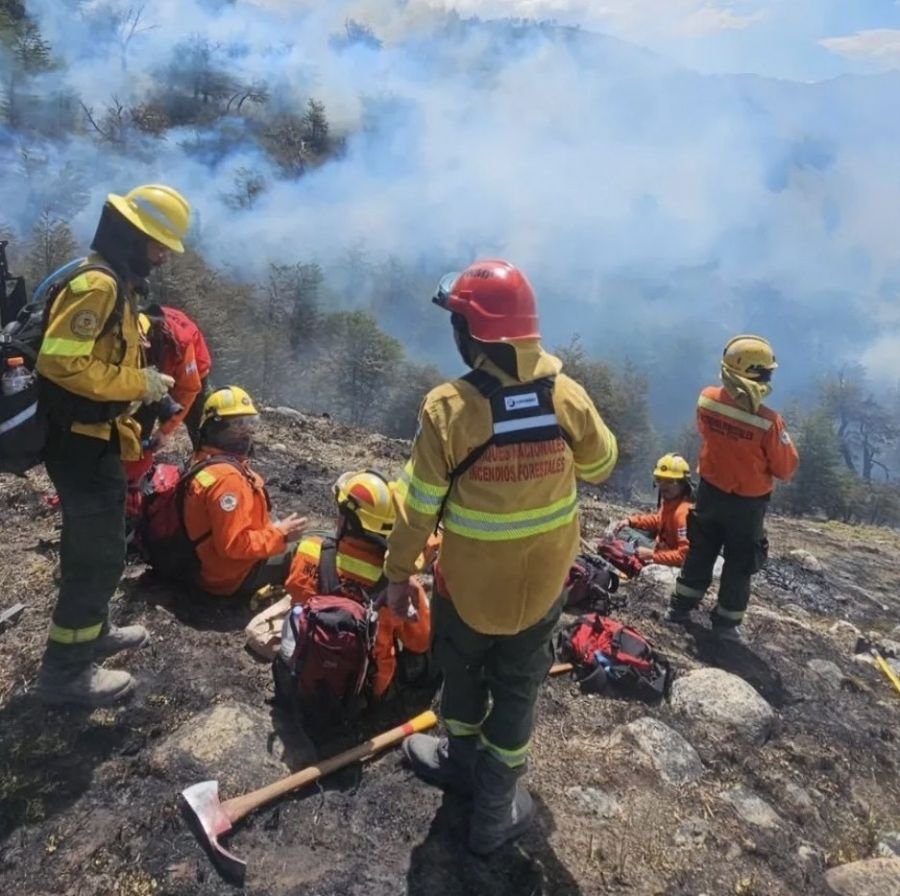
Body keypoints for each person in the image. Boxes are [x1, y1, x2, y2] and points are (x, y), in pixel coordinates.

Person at [383, 259, 618, 855]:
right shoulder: (566, 396)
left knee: (461, 671)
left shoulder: (447, 409)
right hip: (542, 589)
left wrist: (398, 575)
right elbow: (601, 465)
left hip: (465, 587)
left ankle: (459, 760)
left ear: (473, 333)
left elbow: (417, 507)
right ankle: (494, 812)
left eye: (457, 323)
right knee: (517, 692)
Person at [35, 184, 190, 707]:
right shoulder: (97, 285)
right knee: (95, 556)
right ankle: (65, 672)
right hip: (78, 444)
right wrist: (137, 384)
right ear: (131, 235)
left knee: (103, 548)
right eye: (158, 244)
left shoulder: (114, 284)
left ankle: (92, 631)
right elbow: (60, 362)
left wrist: (143, 388)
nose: (163, 256)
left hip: (97, 438)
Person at [666, 334, 799, 642]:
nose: (768, 379)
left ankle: (679, 608)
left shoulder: (707, 399)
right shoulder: (768, 422)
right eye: (766, 374)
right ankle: (726, 625)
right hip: (746, 505)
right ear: (753, 375)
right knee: (740, 561)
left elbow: (705, 432)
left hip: (709, 492)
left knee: (701, 549)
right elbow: (785, 468)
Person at [278, 469, 434, 699]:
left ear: (346, 520)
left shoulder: (309, 552)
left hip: (305, 672)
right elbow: (420, 642)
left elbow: (296, 592)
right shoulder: (400, 582)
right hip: (364, 693)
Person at [182, 386, 307, 597]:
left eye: (250, 424)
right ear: (214, 429)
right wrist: (280, 535)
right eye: (237, 426)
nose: (246, 433)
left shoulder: (204, 462)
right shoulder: (228, 480)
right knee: (312, 549)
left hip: (206, 566)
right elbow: (232, 546)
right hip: (230, 577)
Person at [137, 304, 212, 451]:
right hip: (155, 372)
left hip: (192, 372)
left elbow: (189, 389)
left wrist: (165, 430)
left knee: (195, 424)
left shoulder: (181, 342)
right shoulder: (127, 330)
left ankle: (202, 456)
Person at [611, 453, 693, 567]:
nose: (663, 486)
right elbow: (659, 520)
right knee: (622, 530)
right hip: (661, 547)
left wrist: (652, 555)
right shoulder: (670, 502)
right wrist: (631, 521)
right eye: (660, 480)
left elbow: (684, 557)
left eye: (669, 481)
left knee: (623, 537)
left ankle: (628, 558)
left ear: (683, 484)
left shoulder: (683, 514)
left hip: (668, 556)